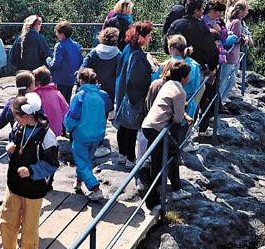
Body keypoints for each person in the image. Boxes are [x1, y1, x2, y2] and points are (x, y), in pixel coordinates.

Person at [0, 96, 59, 249]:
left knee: (29, 230)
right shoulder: (18, 128)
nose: (14, 119)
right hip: (14, 184)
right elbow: (12, 140)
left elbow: (52, 164)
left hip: (33, 189)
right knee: (7, 222)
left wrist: (31, 171)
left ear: (26, 116)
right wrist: (10, 148)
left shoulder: (47, 136)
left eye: (16, 115)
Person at [141, 59, 193, 209]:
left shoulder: (168, 84)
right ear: (184, 77)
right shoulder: (180, 91)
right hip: (158, 128)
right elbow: (177, 119)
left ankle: (159, 193)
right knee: (172, 154)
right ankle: (170, 191)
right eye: (188, 75)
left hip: (149, 125)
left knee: (158, 160)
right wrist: (182, 110)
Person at [166, 0, 219, 138]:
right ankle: (185, 138)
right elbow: (213, 51)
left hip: (174, 68)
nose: (203, 12)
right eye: (201, 9)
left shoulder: (176, 24)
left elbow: (166, 47)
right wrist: (210, 68)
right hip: (195, 72)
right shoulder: (202, 27)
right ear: (196, 10)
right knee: (191, 105)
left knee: (171, 103)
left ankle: (169, 136)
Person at [65, 68, 112, 201]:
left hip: (81, 135)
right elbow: (108, 109)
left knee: (81, 162)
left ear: (81, 80)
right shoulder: (103, 94)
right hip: (98, 135)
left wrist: (68, 128)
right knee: (86, 161)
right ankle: (79, 182)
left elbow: (72, 118)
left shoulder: (80, 96)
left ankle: (95, 188)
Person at [114, 21, 154, 169]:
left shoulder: (127, 48)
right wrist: (151, 71)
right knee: (131, 127)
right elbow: (137, 79)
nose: (150, 38)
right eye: (149, 35)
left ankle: (122, 155)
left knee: (123, 126)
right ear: (141, 37)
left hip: (123, 90)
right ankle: (131, 159)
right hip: (133, 96)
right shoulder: (138, 55)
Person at [152, 35, 202, 152]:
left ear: (172, 48)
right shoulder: (194, 65)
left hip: (169, 103)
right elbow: (196, 86)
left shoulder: (166, 64)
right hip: (188, 103)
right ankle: (185, 145)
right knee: (182, 130)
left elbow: (155, 80)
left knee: (169, 132)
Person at [0, 71, 38, 137]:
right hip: (34, 137)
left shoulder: (11, 103)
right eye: (33, 83)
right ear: (29, 87)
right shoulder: (35, 102)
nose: (35, 86)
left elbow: (0, 120)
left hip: (17, 137)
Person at [79, 27, 120, 104]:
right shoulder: (118, 55)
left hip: (92, 87)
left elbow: (83, 68)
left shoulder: (94, 52)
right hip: (110, 89)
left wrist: (77, 84)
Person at [220, 0, 249, 103]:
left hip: (229, 54)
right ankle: (218, 103)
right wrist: (242, 39)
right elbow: (235, 38)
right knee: (227, 80)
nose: (247, 12)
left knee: (226, 79)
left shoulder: (231, 20)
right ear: (240, 10)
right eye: (246, 10)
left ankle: (219, 102)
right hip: (231, 55)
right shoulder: (237, 22)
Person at [46, 21, 83, 102]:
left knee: (59, 102)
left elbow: (55, 64)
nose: (56, 34)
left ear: (62, 34)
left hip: (60, 79)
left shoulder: (59, 46)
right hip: (71, 79)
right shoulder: (77, 45)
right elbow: (81, 61)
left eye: (57, 32)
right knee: (67, 101)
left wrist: (48, 61)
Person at [33, 66, 69, 137]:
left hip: (42, 128)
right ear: (50, 79)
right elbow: (66, 109)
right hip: (56, 127)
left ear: (37, 81)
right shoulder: (56, 92)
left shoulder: (37, 94)